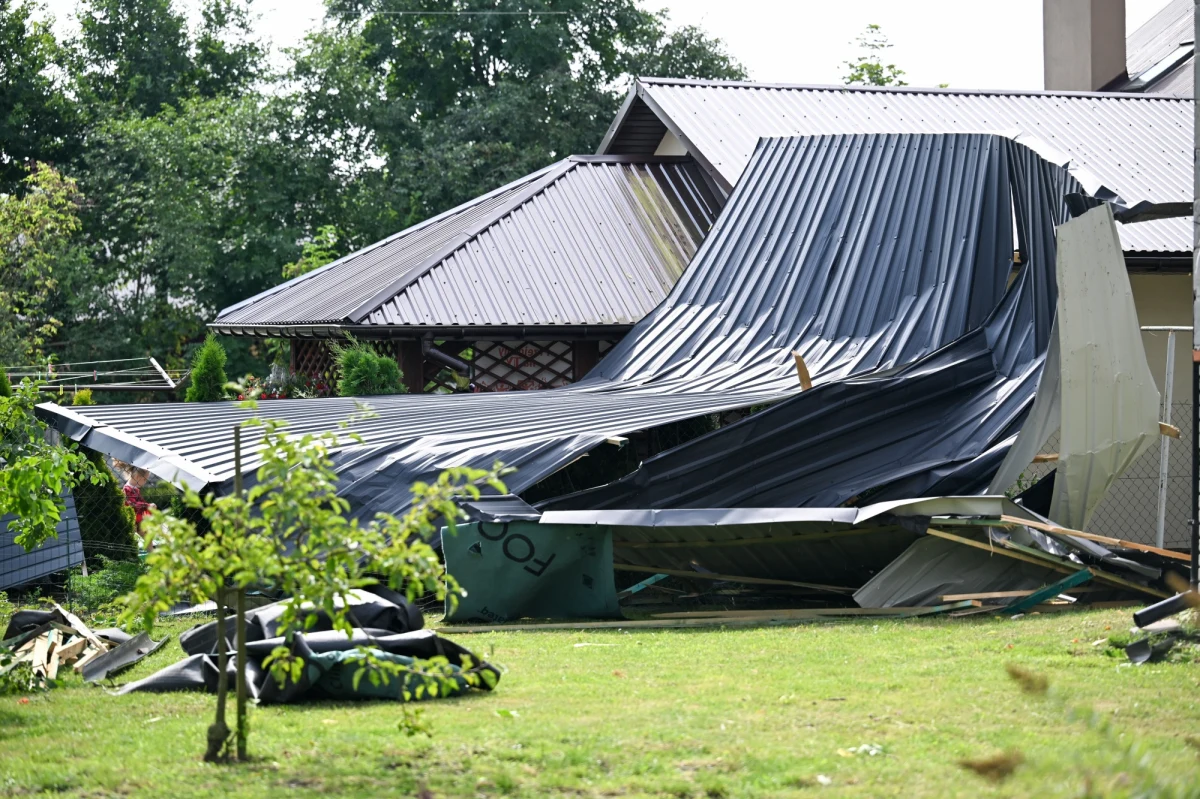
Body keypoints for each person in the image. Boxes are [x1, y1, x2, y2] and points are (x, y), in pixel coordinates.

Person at [113, 459, 157, 550]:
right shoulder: (127, 489)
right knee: (130, 539)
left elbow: (140, 501)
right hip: (132, 518)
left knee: (148, 536)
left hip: (138, 519)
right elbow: (132, 503)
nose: (145, 482)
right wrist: (147, 506)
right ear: (137, 477)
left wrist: (148, 506)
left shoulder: (135, 489)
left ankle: (152, 553)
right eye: (144, 479)